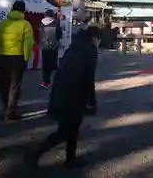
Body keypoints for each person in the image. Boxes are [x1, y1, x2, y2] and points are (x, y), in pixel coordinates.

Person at [24, 25, 101, 169]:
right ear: (95, 38)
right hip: (74, 94)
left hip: (62, 90)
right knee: (66, 130)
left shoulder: (74, 46)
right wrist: (92, 101)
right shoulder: (90, 50)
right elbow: (88, 78)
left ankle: (70, 159)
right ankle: (36, 153)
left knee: (72, 128)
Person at [0, 0, 34, 122]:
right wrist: (26, 58)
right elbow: (28, 44)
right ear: (23, 10)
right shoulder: (26, 24)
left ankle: (6, 108)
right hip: (17, 58)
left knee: (5, 84)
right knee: (14, 85)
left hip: (3, 57)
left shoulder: (2, 24)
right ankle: (10, 113)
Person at [39, 9, 61, 89]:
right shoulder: (55, 23)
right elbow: (59, 35)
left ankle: (44, 80)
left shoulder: (41, 23)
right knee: (51, 65)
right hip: (53, 47)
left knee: (45, 64)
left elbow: (40, 34)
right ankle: (46, 81)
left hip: (44, 46)